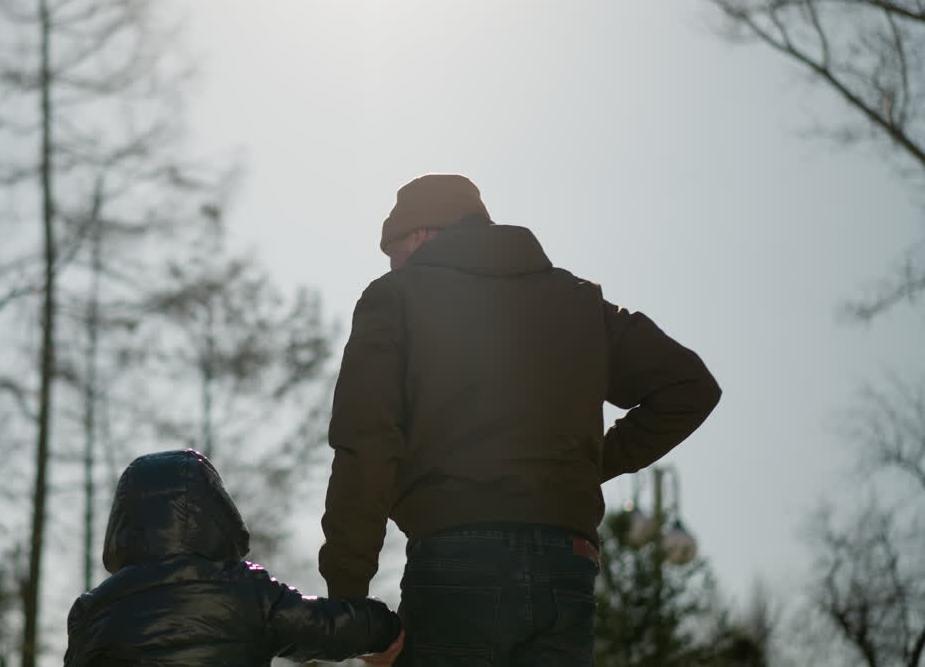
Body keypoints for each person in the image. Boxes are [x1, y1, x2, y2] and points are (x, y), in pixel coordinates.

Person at [319, 174, 722, 666]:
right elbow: (689, 387)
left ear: (422, 234)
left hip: (456, 563)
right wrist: (584, 466)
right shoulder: (579, 302)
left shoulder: (396, 296)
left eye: (394, 251)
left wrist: (349, 596)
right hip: (566, 569)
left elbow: (366, 444)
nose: (393, 265)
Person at [63, 449, 403, 666]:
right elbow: (322, 626)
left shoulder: (91, 610)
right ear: (215, 512)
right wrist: (385, 628)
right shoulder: (243, 588)